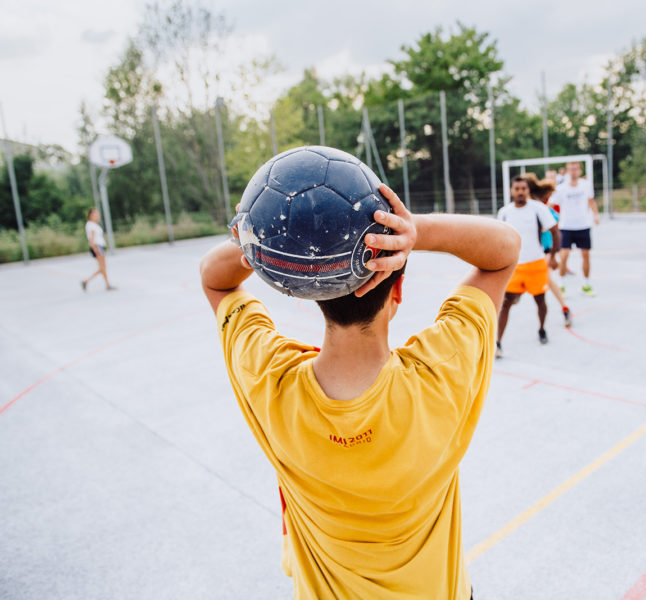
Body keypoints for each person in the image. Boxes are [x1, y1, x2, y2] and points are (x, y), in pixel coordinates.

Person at [199, 183, 520, 600]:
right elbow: (504, 251)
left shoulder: (270, 380)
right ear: (397, 292)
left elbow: (215, 280)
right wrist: (411, 230)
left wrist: (259, 236)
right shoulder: (440, 372)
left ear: (311, 296)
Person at [496, 174, 560, 352]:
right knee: (506, 304)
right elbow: (498, 239)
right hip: (514, 266)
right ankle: (498, 342)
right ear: (511, 191)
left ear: (528, 190)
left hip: (536, 263)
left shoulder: (538, 208)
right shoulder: (505, 212)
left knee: (540, 301)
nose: (520, 192)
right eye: (517, 189)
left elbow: (555, 231)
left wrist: (553, 256)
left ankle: (541, 329)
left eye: (523, 189)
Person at [552, 161, 599, 296]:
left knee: (585, 255)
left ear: (580, 171)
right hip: (566, 226)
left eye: (576, 169)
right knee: (564, 255)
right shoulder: (561, 188)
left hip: (583, 225)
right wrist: (552, 221)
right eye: (571, 169)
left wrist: (595, 215)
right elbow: (550, 204)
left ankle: (586, 284)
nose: (573, 171)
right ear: (567, 171)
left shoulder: (586, 185)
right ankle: (561, 285)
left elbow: (591, 201)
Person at [536, 182, 572, 327]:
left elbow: (556, 221)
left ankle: (565, 308)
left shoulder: (544, 209)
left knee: (547, 279)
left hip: (544, 250)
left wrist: (544, 227)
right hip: (528, 252)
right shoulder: (525, 209)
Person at [81, 207, 115, 291]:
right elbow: (91, 240)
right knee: (102, 268)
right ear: (91, 215)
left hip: (100, 246)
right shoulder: (90, 225)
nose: (98, 215)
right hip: (98, 247)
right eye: (96, 214)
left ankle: (106, 284)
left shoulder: (94, 224)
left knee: (102, 268)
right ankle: (87, 281)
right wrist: (95, 250)